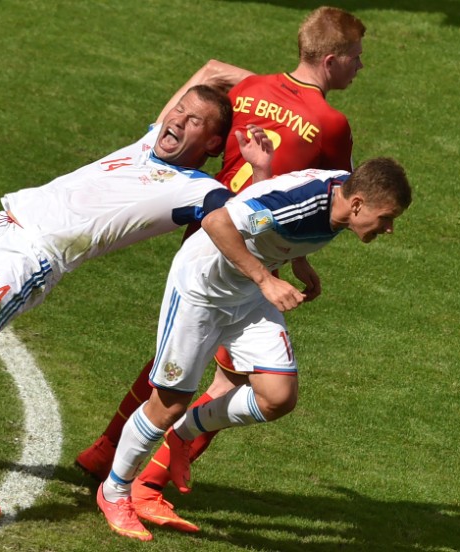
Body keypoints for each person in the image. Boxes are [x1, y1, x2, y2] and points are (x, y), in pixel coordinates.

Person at [0, 80, 274, 527]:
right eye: (178, 112)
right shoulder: (149, 141)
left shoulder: (199, 191)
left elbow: (253, 224)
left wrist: (261, 174)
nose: (177, 120)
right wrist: (230, 78)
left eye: (194, 121)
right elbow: (197, 81)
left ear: (211, 142)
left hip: (34, 256)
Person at [75, 4, 367, 532]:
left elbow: (210, 72)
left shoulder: (251, 87)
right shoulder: (331, 123)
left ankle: (104, 453)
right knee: (227, 374)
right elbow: (331, 199)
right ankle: (143, 485)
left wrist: (154, 142)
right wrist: (282, 266)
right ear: (331, 60)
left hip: (209, 224)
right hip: (243, 252)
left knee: (182, 361)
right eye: (356, 59)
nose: (360, 69)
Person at [96, 157, 413, 541]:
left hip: (244, 295)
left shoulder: (341, 197)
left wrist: (299, 260)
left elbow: (282, 221)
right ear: (359, 203)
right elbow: (217, 222)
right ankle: (114, 492)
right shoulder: (307, 202)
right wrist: (266, 279)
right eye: (387, 218)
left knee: (277, 396)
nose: (390, 228)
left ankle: (184, 434)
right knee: (167, 404)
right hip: (202, 290)